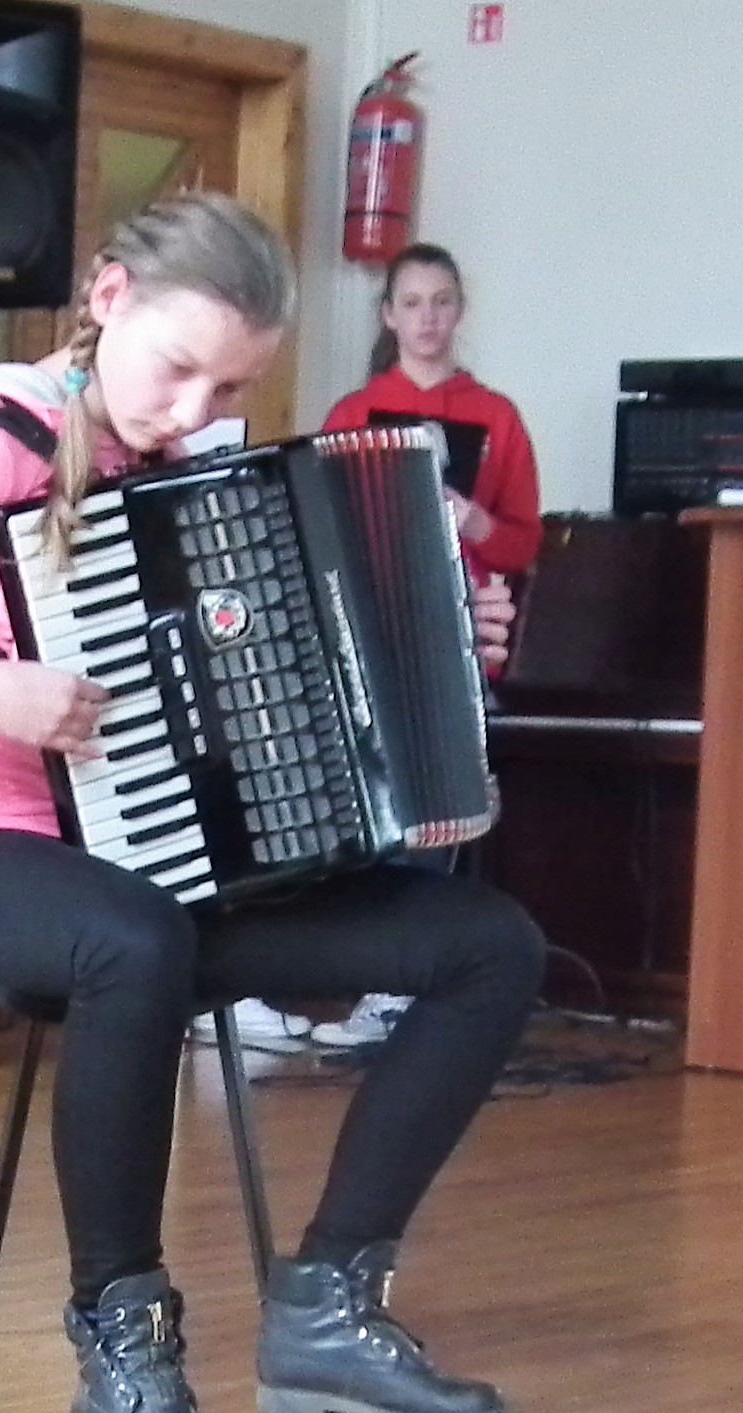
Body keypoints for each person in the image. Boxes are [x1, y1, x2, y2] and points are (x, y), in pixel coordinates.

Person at [0, 192, 545, 1413]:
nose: (192, 411)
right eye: (177, 369)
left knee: (487, 944)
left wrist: (452, 632)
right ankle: (125, 1348)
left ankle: (328, 1308)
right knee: (134, 939)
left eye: (234, 386)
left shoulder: (197, 468)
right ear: (107, 300)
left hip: (156, 858)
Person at [300, 242, 543, 1053]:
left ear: (459, 311)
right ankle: (347, 971)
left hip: (459, 631)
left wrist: (472, 518)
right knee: (370, 802)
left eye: (442, 302)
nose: (428, 318)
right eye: (412, 303)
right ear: (389, 316)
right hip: (370, 630)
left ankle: (398, 986)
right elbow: (323, 519)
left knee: (438, 805)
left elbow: (522, 543)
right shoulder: (356, 411)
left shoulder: (496, 416)